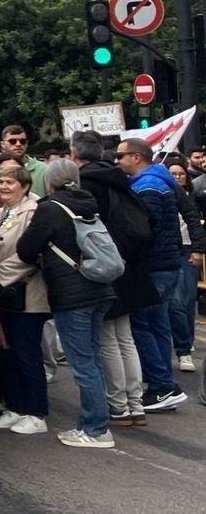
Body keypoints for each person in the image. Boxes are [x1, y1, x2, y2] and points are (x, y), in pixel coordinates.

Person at [14, 160, 116, 448]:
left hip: (72, 295)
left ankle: (95, 429)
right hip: (100, 288)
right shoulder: (89, 203)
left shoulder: (50, 209)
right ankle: (93, 422)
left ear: (50, 181)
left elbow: (25, 250)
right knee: (93, 359)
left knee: (82, 363)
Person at [70, 131, 157, 428]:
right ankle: (134, 403)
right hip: (130, 267)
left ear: (74, 154)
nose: (119, 159)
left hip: (107, 269)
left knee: (108, 339)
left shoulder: (88, 184)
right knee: (125, 337)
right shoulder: (121, 180)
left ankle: (118, 404)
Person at [114, 138, 189, 411]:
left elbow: (147, 229)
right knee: (158, 324)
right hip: (166, 264)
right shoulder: (159, 182)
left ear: (136, 157)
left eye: (121, 156)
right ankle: (164, 382)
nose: (117, 161)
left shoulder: (147, 187)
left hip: (155, 266)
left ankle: (161, 386)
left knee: (141, 324)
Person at [0, 163, 49, 437]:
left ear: (24, 186)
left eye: (11, 183)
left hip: (27, 294)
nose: (4, 187)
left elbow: (30, 254)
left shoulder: (34, 213)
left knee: (27, 353)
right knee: (5, 352)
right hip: (0, 295)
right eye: (1, 182)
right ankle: (16, 406)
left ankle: (36, 411)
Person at [165, 160, 204, 374]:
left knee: (188, 299)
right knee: (177, 301)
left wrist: (198, 249)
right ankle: (183, 349)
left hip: (189, 250)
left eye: (181, 173)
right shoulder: (162, 196)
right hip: (172, 250)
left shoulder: (192, 198)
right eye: (173, 173)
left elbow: (196, 224)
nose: (178, 177)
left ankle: (187, 339)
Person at [0, 125, 47, 197]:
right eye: (12, 141)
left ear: (27, 143)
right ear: (2, 144)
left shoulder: (43, 169)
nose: (18, 144)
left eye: (23, 141)